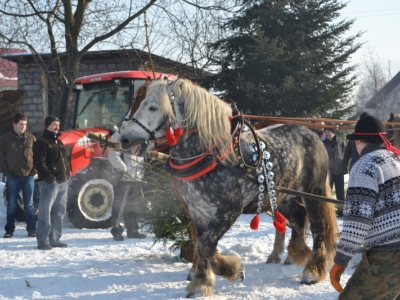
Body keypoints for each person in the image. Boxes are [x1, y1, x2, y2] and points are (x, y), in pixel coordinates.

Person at [329, 115, 400, 299]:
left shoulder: (364, 166)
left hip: (389, 254)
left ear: (358, 142)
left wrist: (340, 261)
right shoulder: (396, 158)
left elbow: (358, 222)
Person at [33, 115, 70, 250]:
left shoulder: (58, 142)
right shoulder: (41, 142)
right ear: (47, 125)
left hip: (63, 181)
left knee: (59, 212)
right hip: (50, 183)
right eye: (54, 124)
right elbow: (39, 163)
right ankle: (42, 241)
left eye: (58, 125)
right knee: (45, 211)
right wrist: (50, 177)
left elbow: (63, 160)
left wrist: (67, 173)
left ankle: (55, 239)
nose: (56, 127)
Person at [0, 112, 37, 238]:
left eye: (25, 124)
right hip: (13, 176)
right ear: (14, 124)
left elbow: (38, 155)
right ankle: (9, 230)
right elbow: (1, 157)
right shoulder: (4, 139)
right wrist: (7, 172)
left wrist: (34, 170)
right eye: (21, 124)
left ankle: (32, 229)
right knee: (11, 205)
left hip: (28, 176)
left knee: (29, 205)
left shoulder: (31, 139)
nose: (23, 126)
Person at [108, 127, 147, 241]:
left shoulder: (141, 135)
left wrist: (141, 172)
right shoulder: (119, 135)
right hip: (124, 178)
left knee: (133, 205)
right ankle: (116, 231)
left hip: (136, 177)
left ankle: (133, 230)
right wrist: (124, 169)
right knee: (120, 206)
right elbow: (112, 154)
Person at [322, 127, 346, 201]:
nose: (326, 133)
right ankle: (327, 210)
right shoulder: (323, 144)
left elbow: (346, 155)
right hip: (328, 173)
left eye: (328, 131)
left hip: (339, 172)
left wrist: (344, 166)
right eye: (325, 132)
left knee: (340, 193)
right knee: (327, 194)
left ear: (333, 132)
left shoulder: (340, 143)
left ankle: (341, 210)